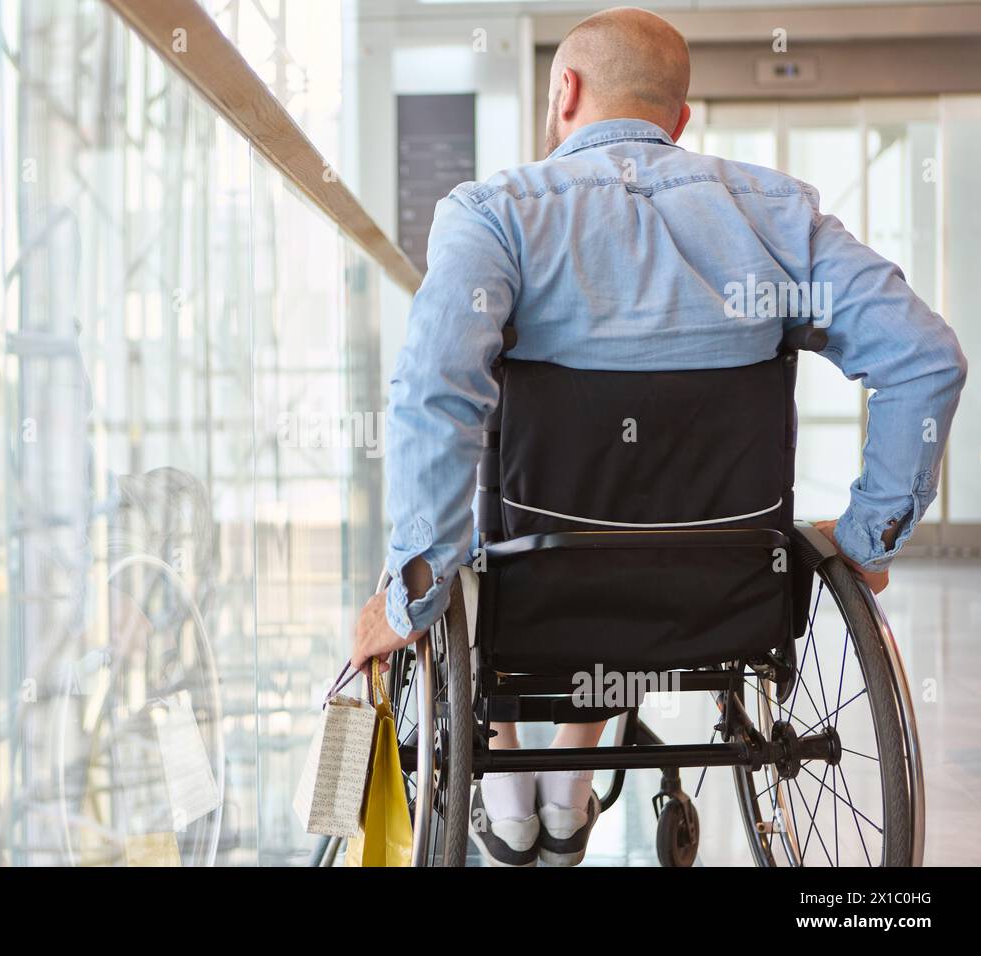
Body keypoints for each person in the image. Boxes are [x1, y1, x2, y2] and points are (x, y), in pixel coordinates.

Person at [351, 6, 966, 867]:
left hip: (534, 595)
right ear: (681, 121)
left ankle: (519, 789)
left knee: (492, 522)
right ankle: (571, 780)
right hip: (723, 599)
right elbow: (926, 358)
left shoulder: (496, 217)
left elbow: (434, 395)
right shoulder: (778, 219)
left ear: (563, 90)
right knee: (637, 532)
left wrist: (412, 587)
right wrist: (867, 539)